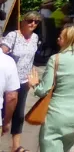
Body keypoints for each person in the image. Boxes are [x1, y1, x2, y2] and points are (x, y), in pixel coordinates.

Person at [30, 23, 74, 152]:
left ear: (70, 38)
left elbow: (43, 90)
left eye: (61, 36)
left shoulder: (56, 58)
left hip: (56, 113)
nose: (58, 38)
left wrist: (34, 84)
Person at [2, 12, 40, 152]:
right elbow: (2, 54)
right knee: (4, 112)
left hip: (24, 80)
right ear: (22, 21)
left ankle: (15, 145)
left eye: (36, 22)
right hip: (9, 81)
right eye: (30, 21)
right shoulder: (13, 36)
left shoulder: (35, 37)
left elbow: (30, 59)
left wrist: (31, 77)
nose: (33, 24)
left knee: (19, 113)